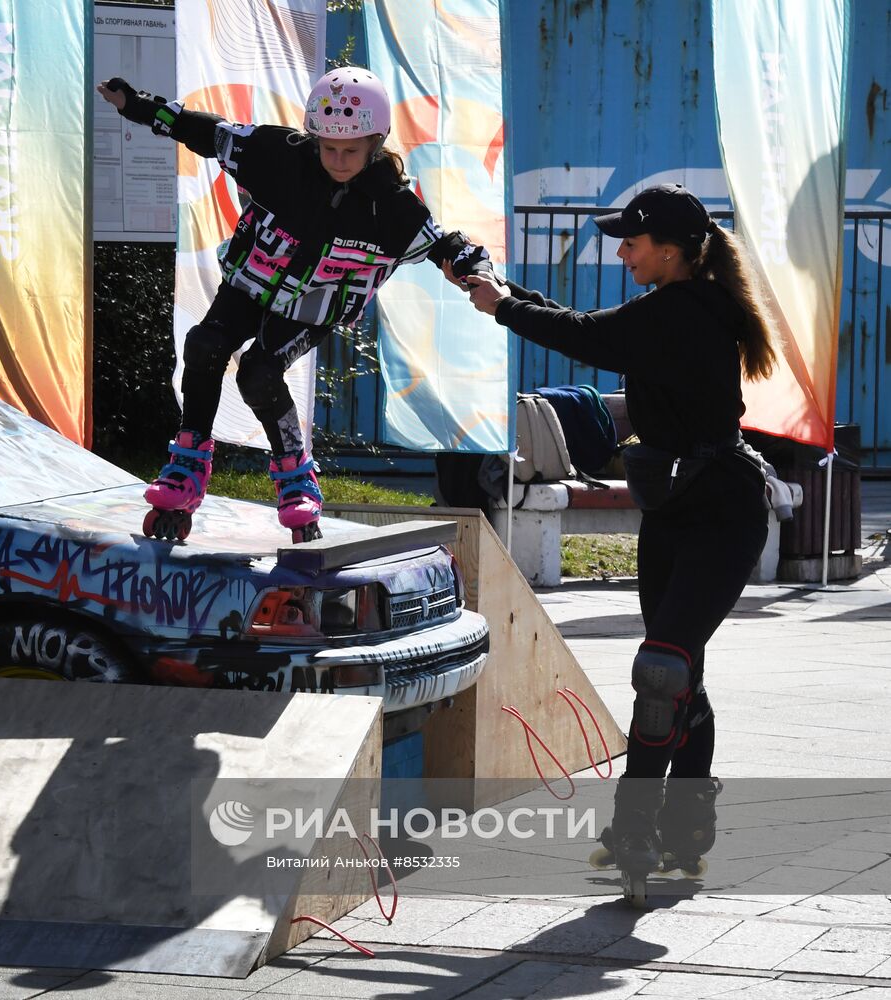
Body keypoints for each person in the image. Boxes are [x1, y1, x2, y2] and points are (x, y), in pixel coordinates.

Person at [461, 183, 777, 905]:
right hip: (674, 509)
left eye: (630, 242)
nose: (620, 252)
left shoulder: (684, 311)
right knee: (677, 672)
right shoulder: (672, 304)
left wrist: (504, 307)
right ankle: (687, 834)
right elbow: (591, 325)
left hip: (723, 514)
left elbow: (587, 336)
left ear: (669, 250)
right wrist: (501, 290)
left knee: (660, 669)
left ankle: (633, 825)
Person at [97, 68, 493, 542]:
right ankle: (187, 467)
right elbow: (205, 130)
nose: (338, 160)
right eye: (328, 148)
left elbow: (442, 244)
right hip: (250, 284)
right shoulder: (274, 155)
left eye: (351, 151)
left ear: (375, 144)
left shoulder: (392, 206)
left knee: (258, 374)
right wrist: (136, 104)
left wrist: (475, 268)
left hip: (312, 307)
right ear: (313, 138)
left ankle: (296, 480)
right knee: (203, 344)